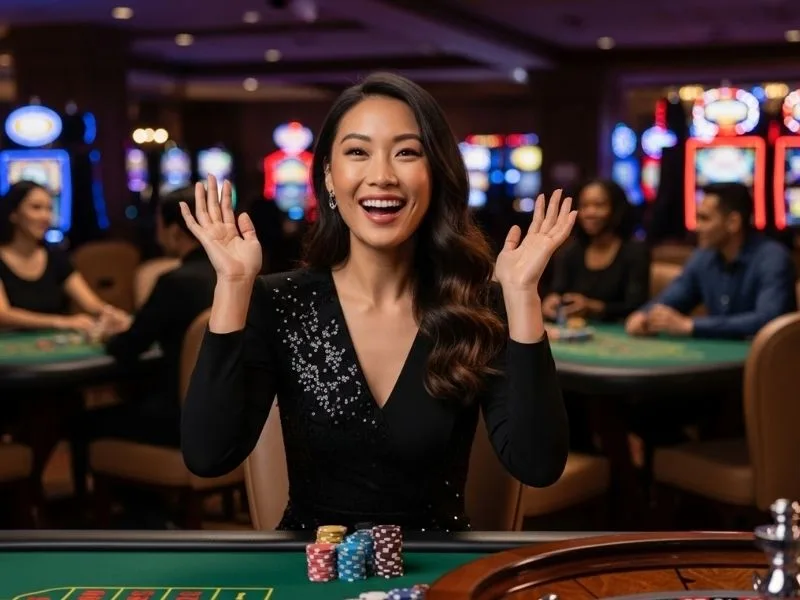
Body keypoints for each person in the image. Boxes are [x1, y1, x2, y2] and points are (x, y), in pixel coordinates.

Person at [179, 72, 574, 531]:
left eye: (407, 152)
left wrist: (522, 296)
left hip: (440, 575)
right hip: (313, 574)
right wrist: (232, 284)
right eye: (357, 152)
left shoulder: (477, 305)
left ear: (436, 174)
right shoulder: (278, 302)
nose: (382, 176)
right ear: (328, 173)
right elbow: (208, 456)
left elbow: (538, 465)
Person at [86, 186, 217, 447]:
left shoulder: (175, 282)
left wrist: (106, 335)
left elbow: (128, 347)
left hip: (180, 422)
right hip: (230, 421)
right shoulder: (237, 278)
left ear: (174, 231)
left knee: (84, 422)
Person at [626, 182, 796, 340]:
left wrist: (691, 326)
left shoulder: (772, 258)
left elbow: (767, 320)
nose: (696, 227)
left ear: (733, 222)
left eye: (704, 219)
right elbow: (673, 298)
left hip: (768, 363)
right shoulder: (703, 258)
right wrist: (644, 315)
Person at [0, 180, 127, 331]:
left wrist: (111, 314)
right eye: (36, 208)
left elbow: (92, 304)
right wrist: (62, 322)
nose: (46, 217)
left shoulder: (55, 257)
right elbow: (3, 315)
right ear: (13, 214)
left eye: (49, 209)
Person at [542, 179, 650, 322]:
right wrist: (551, 302)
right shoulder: (569, 253)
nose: (590, 212)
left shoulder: (635, 252)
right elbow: (557, 291)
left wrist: (592, 306)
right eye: (584, 205)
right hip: (575, 333)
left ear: (616, 208)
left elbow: (637, 307)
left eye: (599, 205)